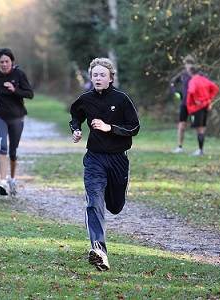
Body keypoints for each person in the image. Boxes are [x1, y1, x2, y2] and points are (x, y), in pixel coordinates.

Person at [69, 57, 140, 271]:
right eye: (95, 75)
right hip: (94, 159)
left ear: (110, 78)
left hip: (118, 159)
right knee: (94, 202)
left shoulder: (121, 99)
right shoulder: (85, 99)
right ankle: (99, 250)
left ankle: (120, 189)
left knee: (115, 207)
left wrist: (110, 128)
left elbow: (134, 127)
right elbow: (75, 115)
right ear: (91, 77)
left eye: (102, 75)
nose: (98, 78)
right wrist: (76, 129)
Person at [0, 48, 34, 196]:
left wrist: (15, 89)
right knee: (2, 146)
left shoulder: (19, 74)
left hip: (17, 117)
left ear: (12, 61)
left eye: (7, 61)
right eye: (1, 62)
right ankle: (2, 182)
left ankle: (12, 179)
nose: (4, 64)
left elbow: (30, 94)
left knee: (13, 152)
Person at [170, 55, 218, 155]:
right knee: (182, 125)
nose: (188, 66)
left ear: (193, 65)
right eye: (186, 63)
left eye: (190, 63)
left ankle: (200, 149)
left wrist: (207, 101)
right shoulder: (182, 74)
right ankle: (179, 147)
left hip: (196, 105)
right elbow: (172, 83)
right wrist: (176, 92)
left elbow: (206, 87)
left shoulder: (198, 75)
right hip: (185, 103)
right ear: (184, 65)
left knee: (199, 126)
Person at [185, 64, 219, 156]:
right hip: (205, 107)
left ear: (190, 72)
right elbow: (215, 88)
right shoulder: (204, 79)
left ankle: (200, 150)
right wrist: (209, 99)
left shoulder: (193, 81)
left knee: (199, 129)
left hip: (197, 108)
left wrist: (196, 100)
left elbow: (191, 91)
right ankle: (201, 150)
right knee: (202, 128)